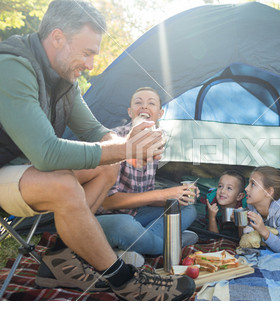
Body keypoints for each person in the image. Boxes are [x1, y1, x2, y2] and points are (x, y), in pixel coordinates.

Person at [0, 0, 194, 301]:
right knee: (64, 184)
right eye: (87, 52)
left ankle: (62, 257)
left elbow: (95, 133)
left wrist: (134, 144)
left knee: (107, 165)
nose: (91, 64)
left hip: (24, 168)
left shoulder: (64, 79)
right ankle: (124, 280)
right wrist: (125, 149)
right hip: (6, 169)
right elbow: (47, 155)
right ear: (58, 38)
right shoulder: (12, 67)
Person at [95, 87, 198, 261]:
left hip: (136, 214)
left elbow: (146, 198)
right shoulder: (114, 140)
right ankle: (172, 242)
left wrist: (178, 195)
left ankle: (136, 246)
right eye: (138, 103)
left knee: (187, 208)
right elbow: (105, 202)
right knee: (125, 227)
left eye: (151, 103)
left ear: (159, 113)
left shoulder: (156, 141)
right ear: (130, 112)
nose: (144, 107)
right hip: (107, 218)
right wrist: (163, 194)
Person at [245, 166, 280, 253]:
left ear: (269, 192)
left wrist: (263, 230)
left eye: (253, 184)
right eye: (248, 183)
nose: (246, 188)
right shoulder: (251, 204)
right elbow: (248, 236)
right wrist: (242, 223)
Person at [205, 170, 246, 238]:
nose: (222, 191)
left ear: (239, 196)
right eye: (220, 186)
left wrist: (240, 222)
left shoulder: (244, 207)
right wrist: (212, 217)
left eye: (229, 188)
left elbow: (243, 239)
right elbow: (213, 238)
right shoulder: (212, 203)